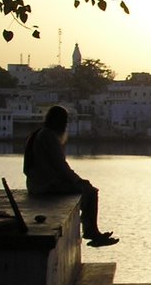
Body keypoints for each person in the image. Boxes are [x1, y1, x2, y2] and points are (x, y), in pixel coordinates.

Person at [23, 105, 118, 246]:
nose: (66, 125)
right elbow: (61, 167)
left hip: (39, 184)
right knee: (90, 192)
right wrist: (78, 182)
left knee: (86, 188)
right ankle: (91, 232)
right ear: (58, 121)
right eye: (65, 121)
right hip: (45, 186)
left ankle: (90, 230)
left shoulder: (41, 134)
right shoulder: (48, 136)